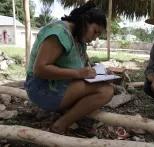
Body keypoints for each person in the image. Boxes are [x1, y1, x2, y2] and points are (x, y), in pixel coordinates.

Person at [24, 1, 113, 134]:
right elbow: (40, 69)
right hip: (41, 88)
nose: (95, 38)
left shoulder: (78, 38)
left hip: (58, 84)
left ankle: (67, 113)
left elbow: (84, 65)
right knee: (105, 91)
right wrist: (78, 73)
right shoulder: (59, 33)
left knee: (103, 86)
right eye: (95, 32)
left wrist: (102, 73)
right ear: (85, 21)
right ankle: (61, 124)